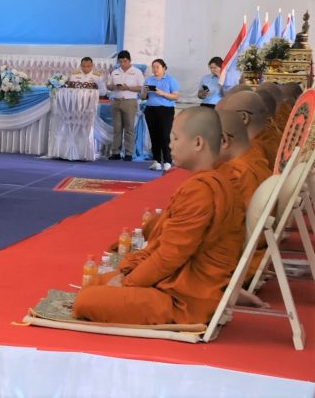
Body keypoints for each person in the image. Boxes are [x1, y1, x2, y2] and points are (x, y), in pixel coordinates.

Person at [73, 108, 243, 325]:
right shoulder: (211, 182)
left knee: (86, 301)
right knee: (95, 283)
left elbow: (170, 256)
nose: (170, 144)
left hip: (185, 300)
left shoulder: (201, 190)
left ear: (198, 143)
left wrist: (128, 282)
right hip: (177, 283)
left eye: (175, 138)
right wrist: (127, 272)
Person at [140, 59, 180, 171]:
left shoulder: (171, 80)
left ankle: (167, 161)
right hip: (151, 109)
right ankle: (156, 161)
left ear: (164, 68)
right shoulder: (149, 80)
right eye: (153, 67)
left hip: (166, 110)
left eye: (158, 67)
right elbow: (142, 97)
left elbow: (176, 96)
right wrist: (145, 92)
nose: (155, 69)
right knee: (154, 135)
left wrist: (161, 93)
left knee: (165, 135)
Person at [107, 50, 145, 161]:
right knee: (117, 128)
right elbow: (108, 86)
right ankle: (116, 152)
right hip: (116, 101)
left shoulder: (137, 72)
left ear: (129, 60)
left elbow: (142, 87)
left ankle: (129, 153)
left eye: (125, 61)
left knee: (129, 128)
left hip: (129, 102)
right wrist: (115, 86)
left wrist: (128, 87)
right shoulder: (115, 72)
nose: (123, 64)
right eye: (120, 61)